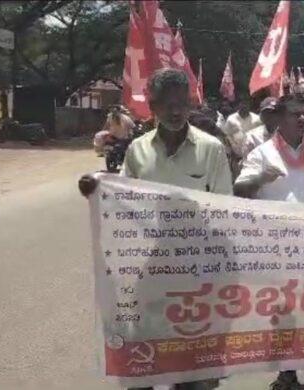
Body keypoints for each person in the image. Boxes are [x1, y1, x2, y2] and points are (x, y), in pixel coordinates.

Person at [79, 69, 231, 389]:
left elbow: (224, 211)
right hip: (151, 269)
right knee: (142, 363)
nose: (176, 111)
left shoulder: (212, 149)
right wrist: (97, 187)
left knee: (195, 374)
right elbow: (121, 201)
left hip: (197, 275)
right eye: (167, 104)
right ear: (153, 105)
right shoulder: (137, 150)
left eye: (182, 103)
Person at [233, 95, 304, 390]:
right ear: (279, 119)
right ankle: (287, 373)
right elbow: (238, 190)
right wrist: (259, 180)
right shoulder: (263, 154)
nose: (301, 119)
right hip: (278, 249)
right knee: (284, 313)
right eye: (294, 114)